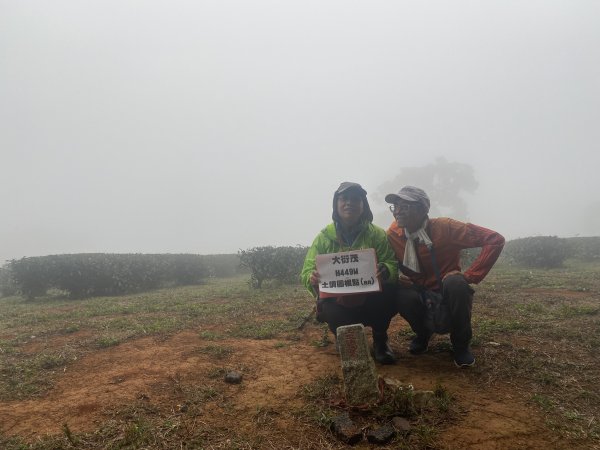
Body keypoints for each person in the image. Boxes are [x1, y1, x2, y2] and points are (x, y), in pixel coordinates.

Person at [385, 186, 505, 367]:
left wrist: (470, 275)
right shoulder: (393, 234)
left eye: (405, 206)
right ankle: (423, 334)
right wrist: (399, 274)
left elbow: (494, 239)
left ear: (423, 209)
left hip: (446, 288)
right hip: (419, 291)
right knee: (401, 294)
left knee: (456, 283)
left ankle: (460, 345)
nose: (398, 212)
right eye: (395, 206)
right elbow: (388, 260)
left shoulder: (446, 227)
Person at [301, 182, 399, 364]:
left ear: (363, 205)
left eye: (356, 199)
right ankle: (345, 337)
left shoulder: (376, 234)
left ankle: (380, 340)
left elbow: (392, 263)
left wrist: (385, 270)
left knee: (391, 293)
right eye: (344, 198)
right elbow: (306, 270)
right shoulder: (323, 238)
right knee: (328, 308)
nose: (349, 203)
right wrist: (311, 277)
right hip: (339, 302)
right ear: (336, 204)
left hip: (371, 300)